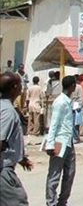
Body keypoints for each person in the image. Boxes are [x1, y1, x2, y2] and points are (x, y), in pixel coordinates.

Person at [1, 71, 34, 205]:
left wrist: (20, 158)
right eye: (20, 83)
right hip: (3, 171)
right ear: (15, 87)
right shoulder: (7, 111)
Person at [44, 75, 77, 206]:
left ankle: (62, 202)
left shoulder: (68, 101)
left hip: (69, 142)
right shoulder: (60, 102)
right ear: (72, 86)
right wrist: (50, 144)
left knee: (70, 174)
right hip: (59, 142)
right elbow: (54, 124)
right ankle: (51, 202)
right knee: (54, 174)